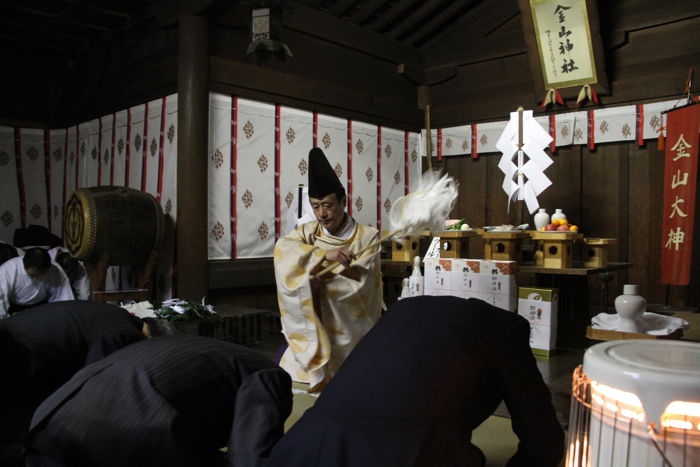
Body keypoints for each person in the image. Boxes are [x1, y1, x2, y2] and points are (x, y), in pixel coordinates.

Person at [267, 296, 566, 467]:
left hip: (302, 446)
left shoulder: (402, 311)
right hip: (401, 456)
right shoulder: (506, 330)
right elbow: (542, 437)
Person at [24, 334, 293, 467]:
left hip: (49, 418)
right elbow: (250, 456)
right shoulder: (269, 375)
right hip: (114, 437)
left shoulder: (204, 351)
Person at [0, 300, 176, 465]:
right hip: (18, 353)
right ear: (153, 341)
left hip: (17, 338)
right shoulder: (123, 334)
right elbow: (94, 387)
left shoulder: (117, 316)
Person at [273, 147, 383, 392]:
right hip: (313, 327)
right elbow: (283, 252)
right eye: (315, 206)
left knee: (355, 386)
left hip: (350, 334)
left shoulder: (367, 237)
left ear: (343, 202)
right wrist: (321, 255)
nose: (321, 213)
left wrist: (315, 281)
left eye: (327, 205)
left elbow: (363, 286)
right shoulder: (307, 233)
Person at [0, 247, 74, 318]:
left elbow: (63, 297)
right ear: (25, 265)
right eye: (34, 274)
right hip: (15, 308)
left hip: (41, 306)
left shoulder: (54, 268)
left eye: (42, 274)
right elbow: (1, 302)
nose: (38, 277)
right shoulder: (7, 271)